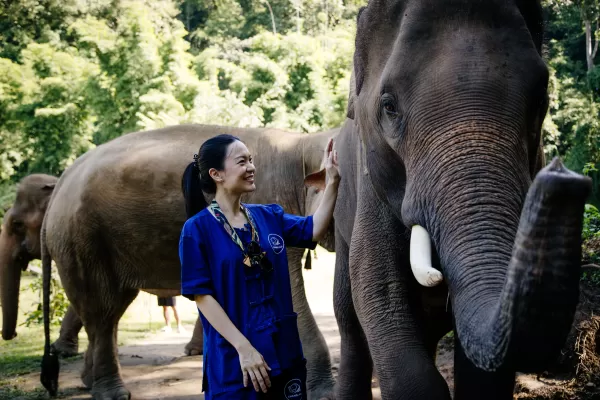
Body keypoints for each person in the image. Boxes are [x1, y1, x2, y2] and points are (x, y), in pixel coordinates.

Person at [179, 134, 339, 399]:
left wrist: (332, 180)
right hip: (235, 361)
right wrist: (244, 349)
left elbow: (313, 230)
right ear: (216, 174)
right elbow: (202, 297)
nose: (251, 167)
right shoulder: (196, 230)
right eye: (242, 161)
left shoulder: (268, 216)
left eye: (251, 160)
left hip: (284, 353)